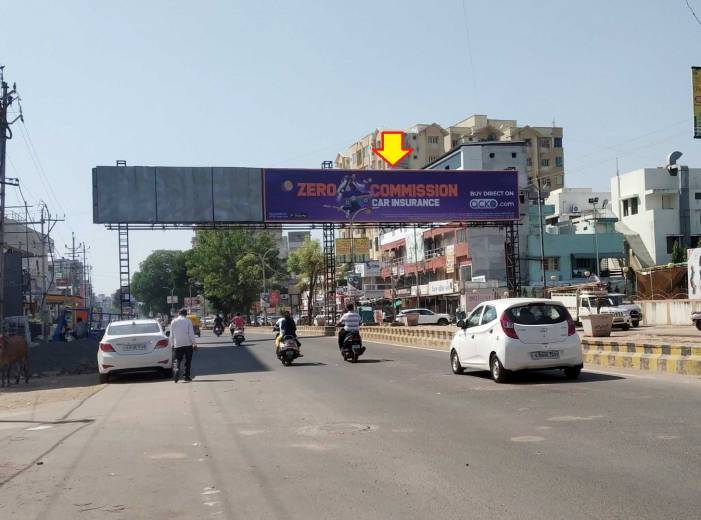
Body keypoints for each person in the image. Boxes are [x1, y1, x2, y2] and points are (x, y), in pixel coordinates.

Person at [169, 308, 198, 383]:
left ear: (178, 313)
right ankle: (186, 376)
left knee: (177, 360)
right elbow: (191, 334)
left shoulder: (173, 321)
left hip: (177, 344)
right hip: (188, 344)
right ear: (186, 314)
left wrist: (171, 345)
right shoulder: (188, 321)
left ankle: (177, 369)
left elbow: (171, 335)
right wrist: (194, 344)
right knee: (188, 361)